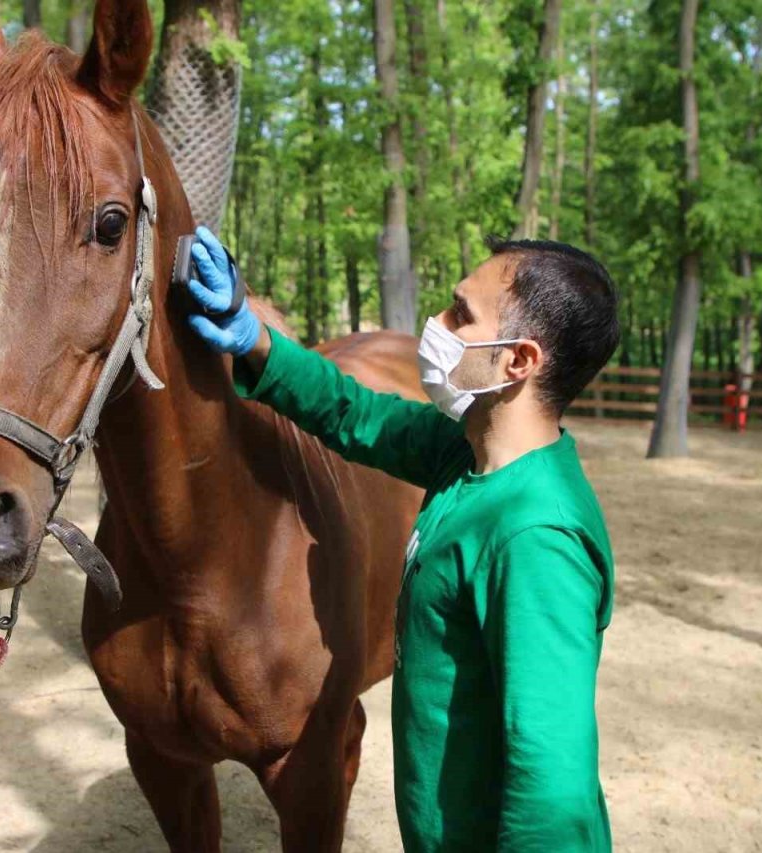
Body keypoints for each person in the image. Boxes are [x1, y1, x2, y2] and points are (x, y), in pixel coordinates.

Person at [184, 226, 620, 852]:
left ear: (518, 361)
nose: (435, 324)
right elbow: (357, 415)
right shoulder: (467, 454)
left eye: (461, 314)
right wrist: (254, 338)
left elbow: (553, 788)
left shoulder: (537, 540)